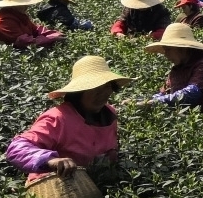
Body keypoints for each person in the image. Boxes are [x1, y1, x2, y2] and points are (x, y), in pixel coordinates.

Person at [7, 55, 134, 184]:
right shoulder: (58, 118)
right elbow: (16, 149)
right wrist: (50, 161)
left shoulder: (109, 113)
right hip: (57, 189)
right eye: (94, 88)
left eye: (106, 87)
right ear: (79, 92)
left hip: (94, 186)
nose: (102, 94)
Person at [138, 23, 203, 113]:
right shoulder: (177, 69)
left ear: (182, 48)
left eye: (168, 49)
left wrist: (154, 102)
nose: (165, 54)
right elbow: (164, 93)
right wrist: (140, 101)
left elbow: (191, 94)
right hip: (183, 121)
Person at [0, 0, 65, 49]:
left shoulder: (19, 14)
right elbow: (23, 41)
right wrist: (51, 39)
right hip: (0, 55)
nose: (27, 6)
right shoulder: (5, 20)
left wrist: (54, 34)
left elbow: (36, 29)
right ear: (13, 6)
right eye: (23, 4)